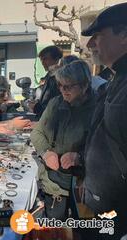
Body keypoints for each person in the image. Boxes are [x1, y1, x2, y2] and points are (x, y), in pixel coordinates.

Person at [80, 3, 127, 238]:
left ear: (124, 36)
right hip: (106, 210)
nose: (90, 44)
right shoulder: (116, 80)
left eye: (97, 36)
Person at [31, 60, 95, 220]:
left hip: (85, 186)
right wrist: (46, 152)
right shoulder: (55, 104)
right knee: (54, 231)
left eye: (69, 86)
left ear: (84, 85)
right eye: (60, 86)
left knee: (84, 230)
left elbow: (106, 149)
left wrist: (79, 157)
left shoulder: (98, 107)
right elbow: (37, 132)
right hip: (55, 185)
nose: (63, 91)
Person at [27, 46, 63, 118]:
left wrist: (36, 107)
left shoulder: (60, 77)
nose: (43, 63)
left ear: (56, 59)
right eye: (41, 60)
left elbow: (55, 104)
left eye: (45, 59)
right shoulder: (49, 75)